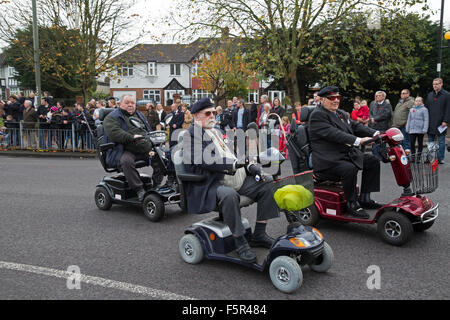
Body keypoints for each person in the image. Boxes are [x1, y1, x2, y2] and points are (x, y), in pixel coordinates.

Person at [182, 97, 280, 263]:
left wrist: (251, 167)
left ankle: (260, 234)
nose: (213, 115)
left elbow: (235, 156)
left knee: (267, 182)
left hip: (235, 179)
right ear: (197, 116)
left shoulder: (218, 132)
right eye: (208, 113)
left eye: (214, 112)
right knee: (229, 195)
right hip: (210, 183)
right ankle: (240, 241)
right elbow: (205, 160)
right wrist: (234, 164)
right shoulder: (190, 136)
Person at [308, 86, 382, 219]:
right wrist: (358, 140)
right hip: (328, 160)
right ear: (323, 99)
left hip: (343, 155)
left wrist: (375, 133)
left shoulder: (340, 113)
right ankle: (352, 203)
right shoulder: (317, 115)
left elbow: (355, 126)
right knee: (349, 168)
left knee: (372, 161)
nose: (336, 100)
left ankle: (365, 197)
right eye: (332, 98)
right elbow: (334, 134)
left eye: (338, 97)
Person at [103, 94, 154, 201]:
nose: (130, 105)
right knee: (126, 161)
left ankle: (157, 184)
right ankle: (139, 189)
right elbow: (115, 133)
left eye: (133, 103)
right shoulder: (111, 117)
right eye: (127, 103)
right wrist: (132, 137)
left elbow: (148, 130)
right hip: (124, 148)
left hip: (142, 147)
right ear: (120, 104)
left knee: (161, 156)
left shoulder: (139, 115)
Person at [425, 78, 450, 164]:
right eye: (433, 84)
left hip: (441, 123)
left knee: (441, 141)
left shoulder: (447, 95)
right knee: (430, 141)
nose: (435, 86)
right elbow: (426, 109)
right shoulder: (430, 95)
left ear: (441, 84)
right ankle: (430, 158)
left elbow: (448, 109)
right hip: (430, 122)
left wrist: (445, 120)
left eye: (437, 84)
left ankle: (440, 158)